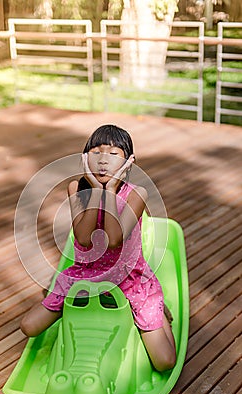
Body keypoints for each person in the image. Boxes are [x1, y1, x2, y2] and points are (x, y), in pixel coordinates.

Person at [20, 124, 176, 372]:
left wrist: (111, 190)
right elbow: (83, 238)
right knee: (29, 326)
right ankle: (59, 297)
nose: (104, 160)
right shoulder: (76, 189)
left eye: (114, 154)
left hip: (129, 279)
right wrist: (95, 190)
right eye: (96, 152)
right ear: (85, 158)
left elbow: (114, 238)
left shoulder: (137, 193)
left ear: (129, 162)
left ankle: (156, 302)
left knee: (165, 361)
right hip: (84, 275)